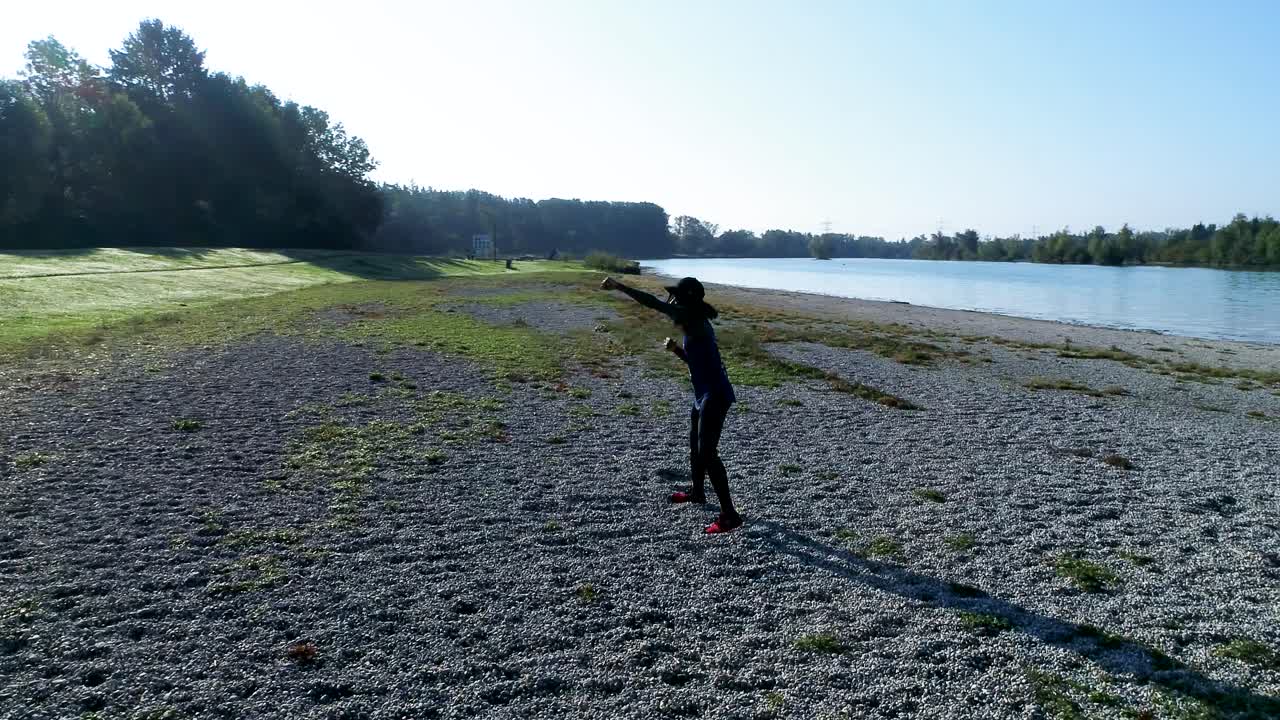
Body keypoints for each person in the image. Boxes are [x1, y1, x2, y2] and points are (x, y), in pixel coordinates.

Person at [600, 275, 743, 534]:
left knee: (708, 453)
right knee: (696, 447)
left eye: (675, 296)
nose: (670, 299)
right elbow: (698, 363)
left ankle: (729, 515)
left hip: (716, 393)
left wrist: (619, 286)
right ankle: (698, 493)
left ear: (685, 299)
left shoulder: (693, 318)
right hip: (703, 393)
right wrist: (677, 351)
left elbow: (652, 303)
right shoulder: (693, 323)